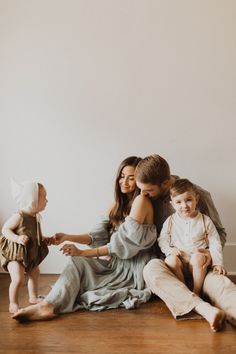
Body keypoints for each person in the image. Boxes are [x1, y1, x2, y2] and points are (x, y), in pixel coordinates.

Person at [12, 156, 157, 321]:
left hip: (133, 268)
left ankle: (48, 306)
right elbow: (95, 236)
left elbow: (120, 245)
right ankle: (48, 306)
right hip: (116, 263)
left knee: (79, 262)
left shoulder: (141, 201)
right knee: (76, 262)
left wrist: (81, 253)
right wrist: (67, 237)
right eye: (122, 177)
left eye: (131, 178)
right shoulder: (115, 206)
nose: (124, 182)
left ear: (139, 181)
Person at [134, 154, 236, 332]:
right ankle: (204, 308)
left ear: (165, 184)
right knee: (150, 269)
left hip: (201, 265)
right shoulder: (148, 199)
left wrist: (209, 255)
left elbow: (219, 233)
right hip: (174, 269)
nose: (143, 194)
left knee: (222, 287)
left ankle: (205, 302)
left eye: (148, 190)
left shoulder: (199, 195)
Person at [158, 178, 227, 296]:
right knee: (170, 260)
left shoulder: (205, 220)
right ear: (172, 204)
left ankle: (197, 291)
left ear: (197, 199)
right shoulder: (170, 221)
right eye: (178, 202)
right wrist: (170, 250)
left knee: (198, 257)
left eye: (188, 200)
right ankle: (184, 289)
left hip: (198, 263)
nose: (184, 205)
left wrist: (218, 263)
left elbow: (215, 242)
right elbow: (162, 239)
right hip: (180, 262)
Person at [0, 179, 50, 313]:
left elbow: (35, 235)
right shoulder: (19, 216)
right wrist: (17, 238)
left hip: (29, 254)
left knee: (35, 273)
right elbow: (5, 229)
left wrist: (45, 239)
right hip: (15, 254)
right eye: (44, 197)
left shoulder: (36, 217)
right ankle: (13, 303)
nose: (46, 200)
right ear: (32, 198)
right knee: (18, 278)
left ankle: (33, 297)